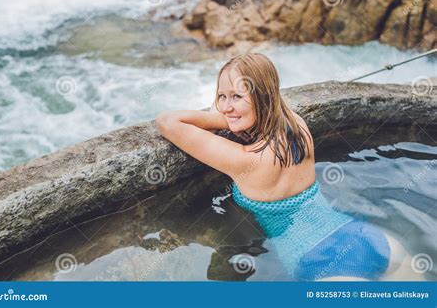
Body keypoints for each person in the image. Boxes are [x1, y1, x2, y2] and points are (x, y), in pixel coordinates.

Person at [155, 53, 418, 281]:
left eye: (236, 96)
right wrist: (237, 111)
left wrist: (223, 119)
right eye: (221, 96)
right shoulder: (298, 126)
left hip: (324, 266)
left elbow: (167, 122)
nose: (225, 106)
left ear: (261, 99)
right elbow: (272, 107)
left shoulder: (245, 159)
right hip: (368, 238)